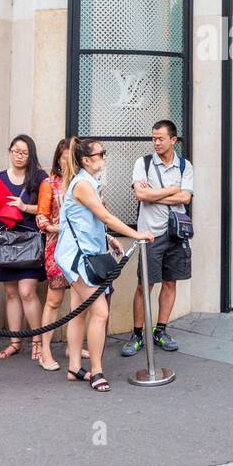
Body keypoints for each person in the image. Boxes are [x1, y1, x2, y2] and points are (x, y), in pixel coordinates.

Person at [56, 137, 153, 392]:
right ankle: (97, 371)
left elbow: (87, 222)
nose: (105, 157)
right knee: (100, 313)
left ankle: (75, 367)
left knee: (79, 312)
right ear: (87, 160)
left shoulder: (88, 183)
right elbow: (105, 216)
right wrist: (136, 234)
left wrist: (108, 239)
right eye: (101, 153)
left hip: (81, 255)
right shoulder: (83, 185)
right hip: (79, 259)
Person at [124, 120, 194, 355]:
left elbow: (185, 199)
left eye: (160, 138)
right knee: (145, 285)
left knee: (170, 282)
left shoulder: (185, 166)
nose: (156, 142)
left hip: (175, 234)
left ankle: (160, 330)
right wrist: (172, 190)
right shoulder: (143, 163)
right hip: (150, 235)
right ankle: (136, 335)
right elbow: (140, 194)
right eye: (153, 138)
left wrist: (154, 195)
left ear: (173, 140)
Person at [0, 135, 48, 362]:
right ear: (9, 151)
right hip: (6, 240)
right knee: (11, 292)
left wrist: (25, 206)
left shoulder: (39, 178)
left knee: (27, 292)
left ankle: (37, 340)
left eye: (23, 152)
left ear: (30, 155)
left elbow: (48, 208)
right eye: (15, 151)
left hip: (30, 240)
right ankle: (15, 341)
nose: (19, 156)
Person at [34, 139, 75, 371]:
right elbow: (41, 217)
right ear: (58, 159)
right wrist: (54, 227)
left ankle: (73, 344)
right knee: (54, 300)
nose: (67, 160)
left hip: (80, 249)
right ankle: (45, 350)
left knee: (80, 300)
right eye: (64, 156)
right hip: (57, 248)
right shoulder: (50, 183)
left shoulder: (82, 183)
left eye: (72, 156)